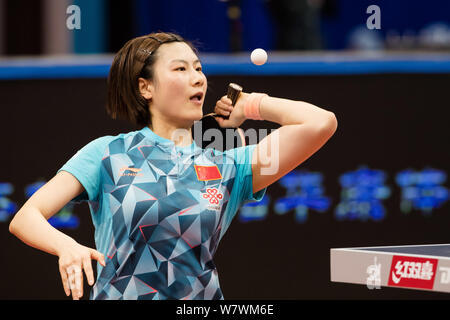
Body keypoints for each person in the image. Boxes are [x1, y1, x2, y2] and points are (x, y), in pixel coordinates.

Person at [9, 32, 337, 300]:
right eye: (181, 69)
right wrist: (65, 246)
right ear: (145, 87)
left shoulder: (229, 162)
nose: (197, 78)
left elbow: (320, 123)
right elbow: (26, 218)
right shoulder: (107, 152)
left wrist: (252, 105)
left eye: (198, 68)